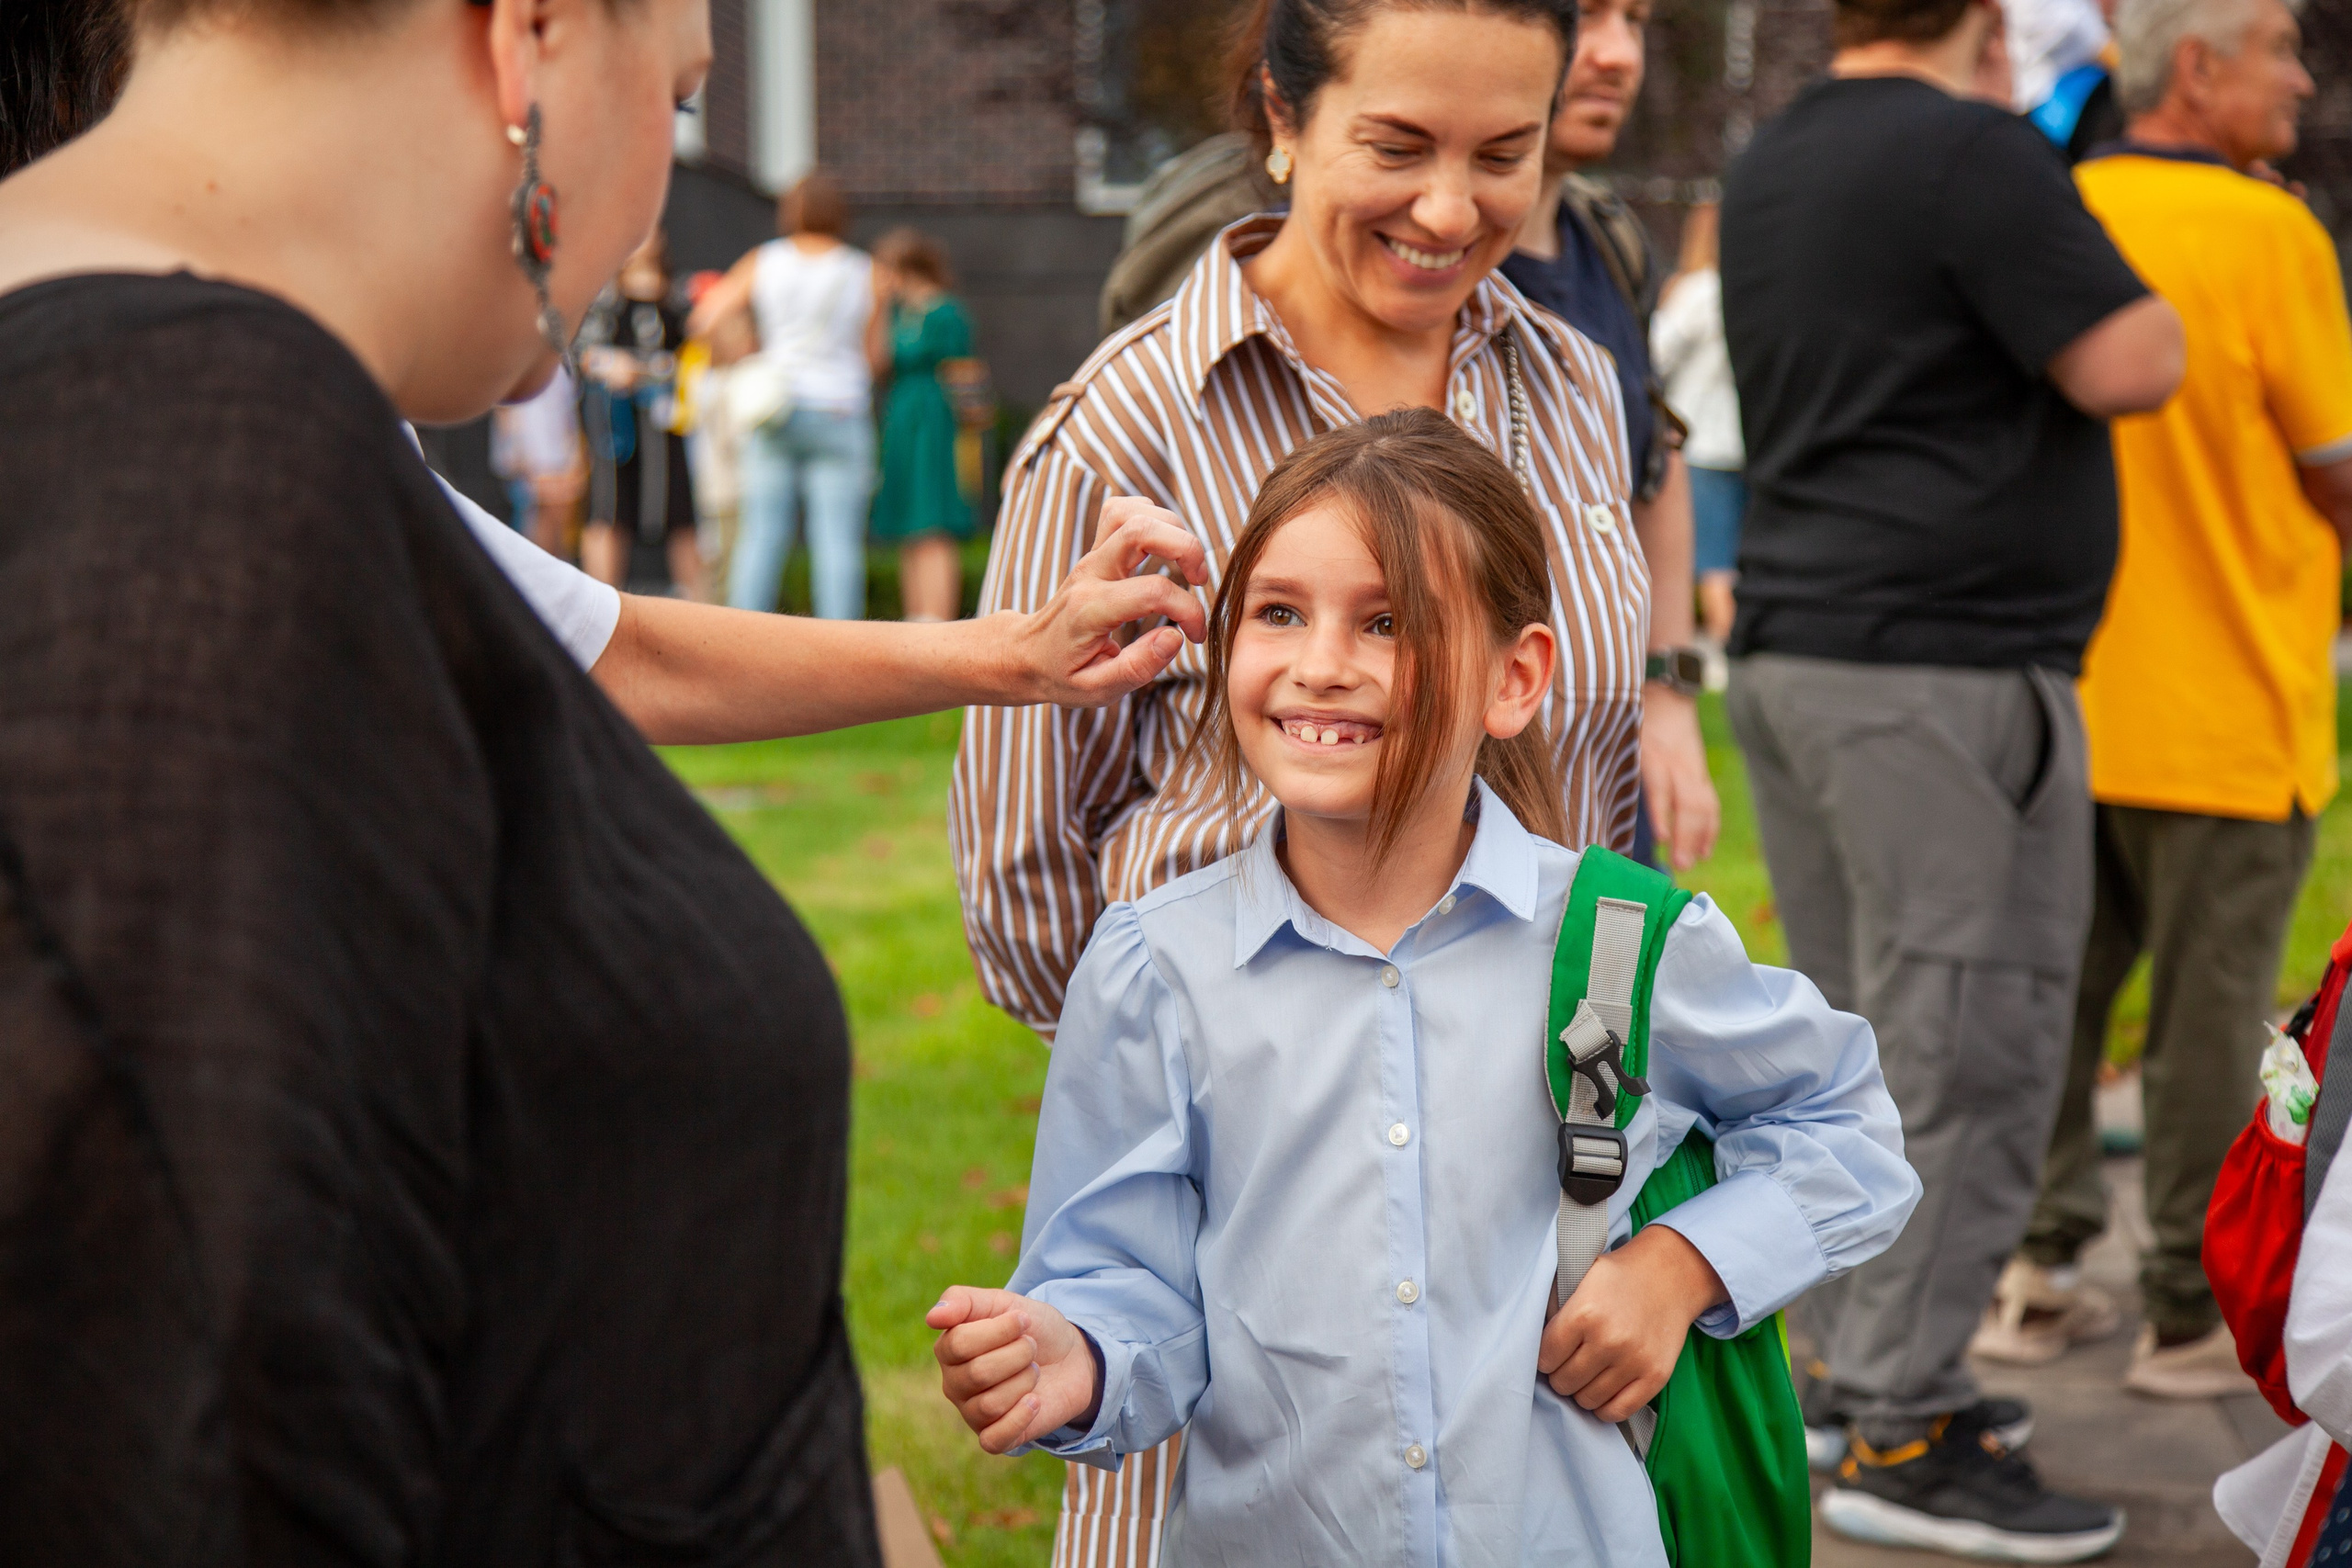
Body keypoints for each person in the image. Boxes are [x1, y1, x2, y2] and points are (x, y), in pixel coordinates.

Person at [0, 0, 1224, 1558]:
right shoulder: (199, 486)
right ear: (532, 41)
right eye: (683, 93)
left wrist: (1010, 653)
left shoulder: (210, 414)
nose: (662, 184)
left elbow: (604, 644)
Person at [953, 1, 1700, 1557]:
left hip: (1540, 1252)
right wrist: (1244, 1050)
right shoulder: (1121, 432)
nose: (1452, 209)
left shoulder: (1563, 379)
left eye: (1507, 154)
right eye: (1398, 146)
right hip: (1253, 1234)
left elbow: (1583, 764)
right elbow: (1026, 888)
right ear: (1283, 119)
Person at [928, 411, 1918, 1562]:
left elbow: (1847, 1127)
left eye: (1388, 623)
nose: (1321, 664)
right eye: (1279, 612)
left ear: (1515, 678)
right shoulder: (1155, 968)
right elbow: (1128, 1283)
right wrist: (1079, 1355)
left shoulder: (1622, 945)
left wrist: (1680, 1264)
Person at [1717, 0, 2187, 1551]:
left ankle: (1859, 1379)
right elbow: (2135, 358)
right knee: (1974, 1050)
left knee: (1861, 1043)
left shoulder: (1774, 155)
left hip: (1809, 651)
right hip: (1947, 673)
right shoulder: (1976, 154)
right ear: (1987, 23)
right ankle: (1906, 1424)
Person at [1982, 0, 2352, 1400]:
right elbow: (2336, 461)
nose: (2305, 79)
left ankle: (2036, 1268)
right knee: (2212, 1027)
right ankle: (2186, 1311)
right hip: (2230, 705)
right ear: (2196, 68)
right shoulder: (2273, 233)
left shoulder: (2057, 206)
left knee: (2058, 1009)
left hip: (2066, 695)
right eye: (2281, 51)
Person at [1499, 0, 1722, 871]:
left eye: (1635, 20)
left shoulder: (1609, 243)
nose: (1619, 56)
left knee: (1606, 1008)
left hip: (1605, 789)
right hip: (1470, 796)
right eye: (1586, 17)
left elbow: (1651, 469)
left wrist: (1667, 697)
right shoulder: (1426, 266)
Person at [692, 172, 876, 621]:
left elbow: (705, 318)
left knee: (761, 536)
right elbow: (875, 355)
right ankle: (844, 657)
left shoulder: (765, 261)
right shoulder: (863, 271)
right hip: (838, 410)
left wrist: (753, 353)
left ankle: (740, 644)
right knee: (837, 542)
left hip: (774, 407)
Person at [579, 231, 702, 597]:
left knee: (680, 512)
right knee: (608, 509)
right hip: (616, 426)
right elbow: (583, 352)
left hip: (667, 425)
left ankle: (699, 605)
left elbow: (693, 350)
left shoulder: (678, 294)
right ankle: (600, 599)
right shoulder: (603, 295)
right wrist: (612, 365)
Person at [866, 228, 976, 623]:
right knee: (908, 523)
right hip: (902, 418)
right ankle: (916, 616)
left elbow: (965, 373)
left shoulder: (946, 312)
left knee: (933, 520)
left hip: (935, 421)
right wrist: (878, 308)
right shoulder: (897, 313)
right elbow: (877, 363)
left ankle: (938, 618)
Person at [1649, 201, 1742, 655]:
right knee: (1733, 559)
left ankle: (1728, 659)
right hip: (1742, 443)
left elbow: (1653, 354)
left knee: (1711, 562)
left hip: (1700, 444)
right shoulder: (1753, 288)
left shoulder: (1702, 290)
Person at [489, 358, 582, 551]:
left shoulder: (563, 358)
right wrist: (517, 453)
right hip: (529, 454)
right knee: (535, 519)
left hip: (559, 453)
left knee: (558, 520)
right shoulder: (519, 353)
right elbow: (504, 407)